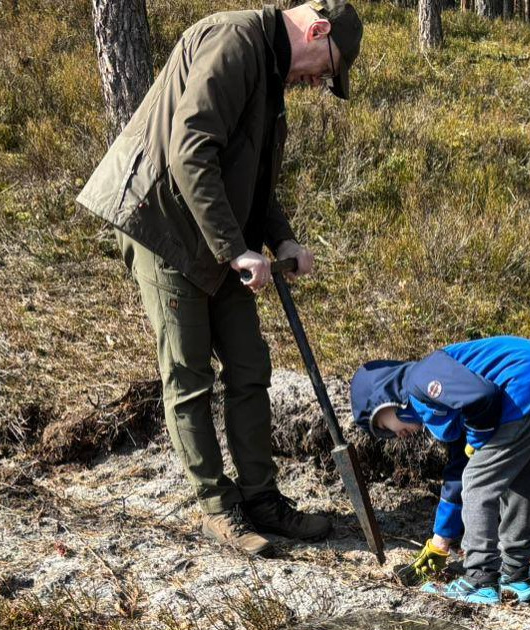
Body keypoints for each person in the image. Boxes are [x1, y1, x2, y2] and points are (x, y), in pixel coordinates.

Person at [75, 0, 363, 555]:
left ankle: (262, 499)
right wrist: (236, 250)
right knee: (188, 375)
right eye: (326, 67)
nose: (319, 80)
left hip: (210, 228)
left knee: (250, 366)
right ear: (317, 29)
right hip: (160, 220)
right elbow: (190, 153)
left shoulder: (271, 67)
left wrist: (281, 239)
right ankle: (218, 507)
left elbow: (251, 175)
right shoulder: (234, 43)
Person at [350, 336, 530, 604]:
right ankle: (515, 574)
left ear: (382, 400)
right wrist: (441, 540)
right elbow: (456, 474)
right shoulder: (439, 400)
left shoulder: (420, 379)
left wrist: (476, 442)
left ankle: (479, 580)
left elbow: (482, 397)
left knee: (477, 483)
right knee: (519, 481)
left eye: (382, 428)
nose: (394, 436)